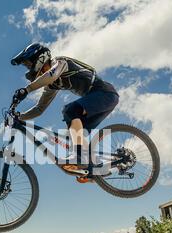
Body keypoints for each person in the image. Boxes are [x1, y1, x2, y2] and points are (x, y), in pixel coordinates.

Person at [11, 43, 119, 171]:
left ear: (39, 58)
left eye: (28, 64)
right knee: (74, 134)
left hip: (105, 93)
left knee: (70, 111)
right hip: (101, 100)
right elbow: (39, 108)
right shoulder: (52, 85)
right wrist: (20, 116)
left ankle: (79, 157)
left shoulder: (60, 62)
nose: (28, 68)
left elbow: (53, 74)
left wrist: (27, 90)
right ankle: (94, 171)